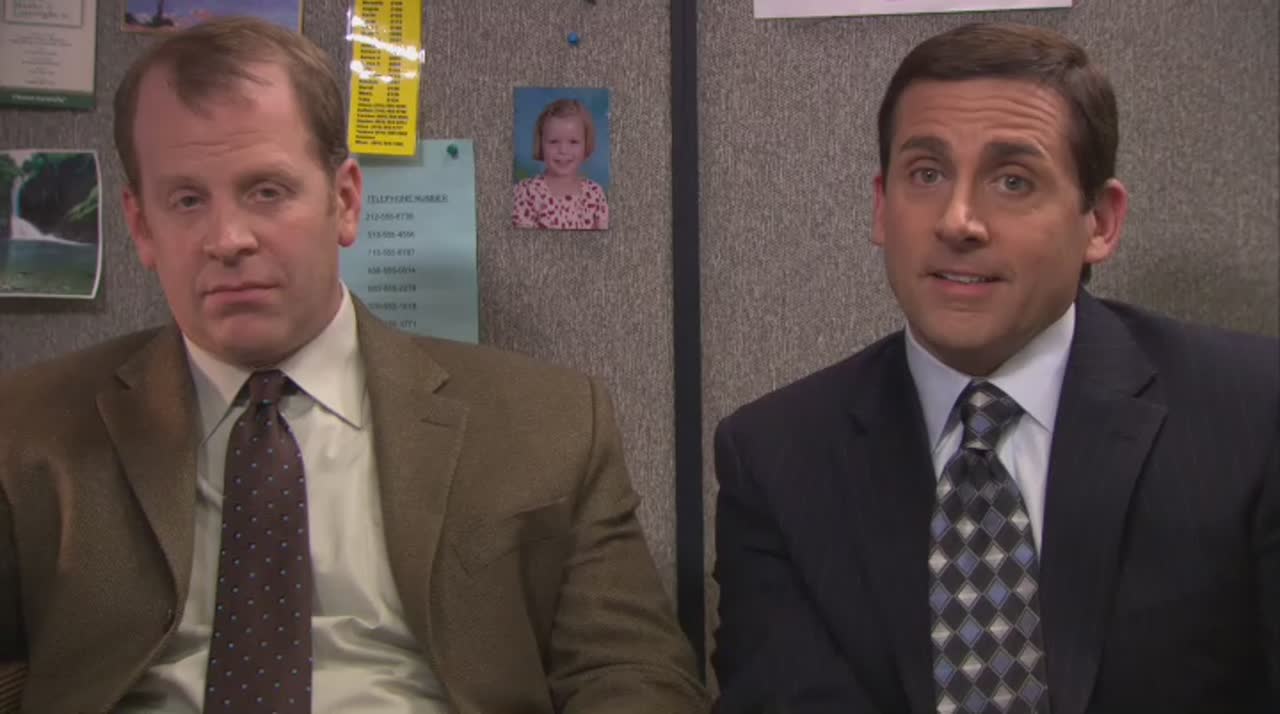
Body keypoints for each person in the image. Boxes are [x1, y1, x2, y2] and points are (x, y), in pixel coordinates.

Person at [0, 17, 707, 714]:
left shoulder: (548, 424)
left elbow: (633, 671)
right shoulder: (27, 429)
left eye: (266, 191)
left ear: (344, 201)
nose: (228, 238)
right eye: (187, 200)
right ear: (141, 226)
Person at [712, 22, 1278, 714]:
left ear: (1100, 222)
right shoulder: (775, 458)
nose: (958, 221)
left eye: (1013, 181)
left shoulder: (1253, 415)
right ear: (882, 208)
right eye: (926, 174)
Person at [513, 98, 610, 231]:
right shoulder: (526, 193)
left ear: (586, 145)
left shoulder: (595, 194)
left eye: (573, 142)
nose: (563, 150)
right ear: (541, 144)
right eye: (553, 141)